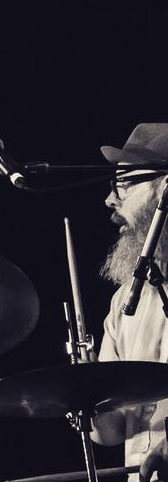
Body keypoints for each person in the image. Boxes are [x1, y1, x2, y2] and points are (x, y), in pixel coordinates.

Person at [92, 123, 168, 481]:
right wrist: (84, 393)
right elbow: (109, 433)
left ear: (164, 189)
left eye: (123, 184)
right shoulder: (125, 301)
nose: (110, 200)